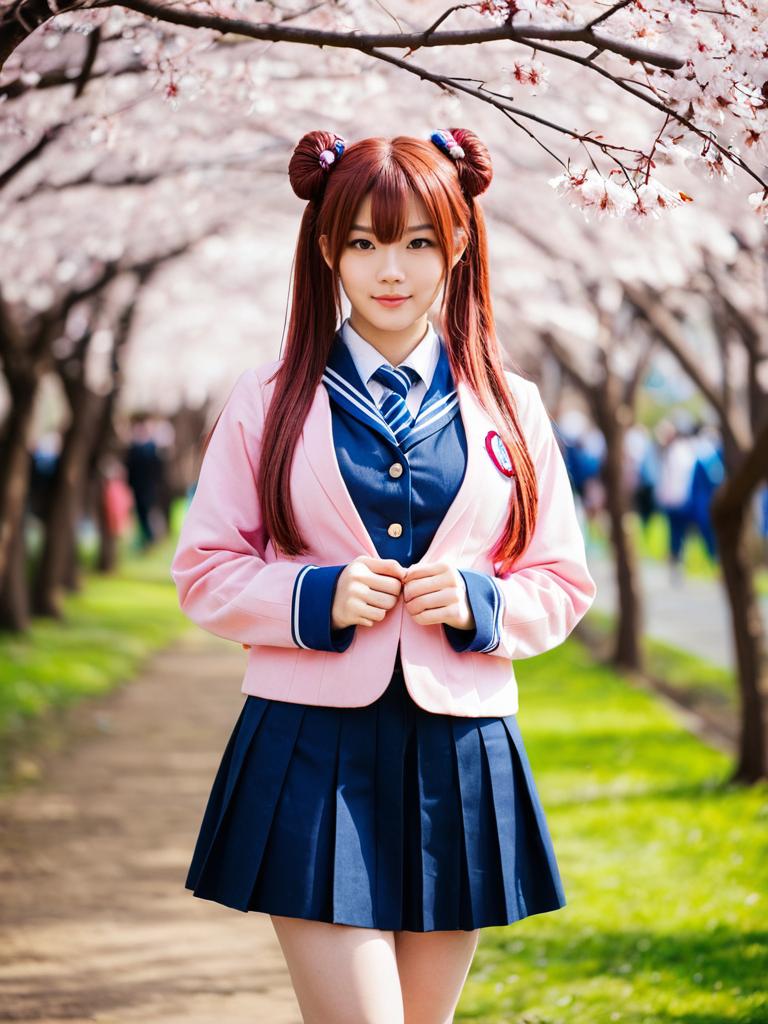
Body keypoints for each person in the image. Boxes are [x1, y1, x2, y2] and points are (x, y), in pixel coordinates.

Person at [170, 128, 597, 1024]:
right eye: (363, 242)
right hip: (306, 744)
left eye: (416, 243)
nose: (389, 269)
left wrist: (485, 605)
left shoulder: (511, 406)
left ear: (458, 246)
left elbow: (561, 578)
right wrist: (310, 597)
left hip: (461, 746)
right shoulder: (270, 397)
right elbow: (204, 568)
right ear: (327, 249)